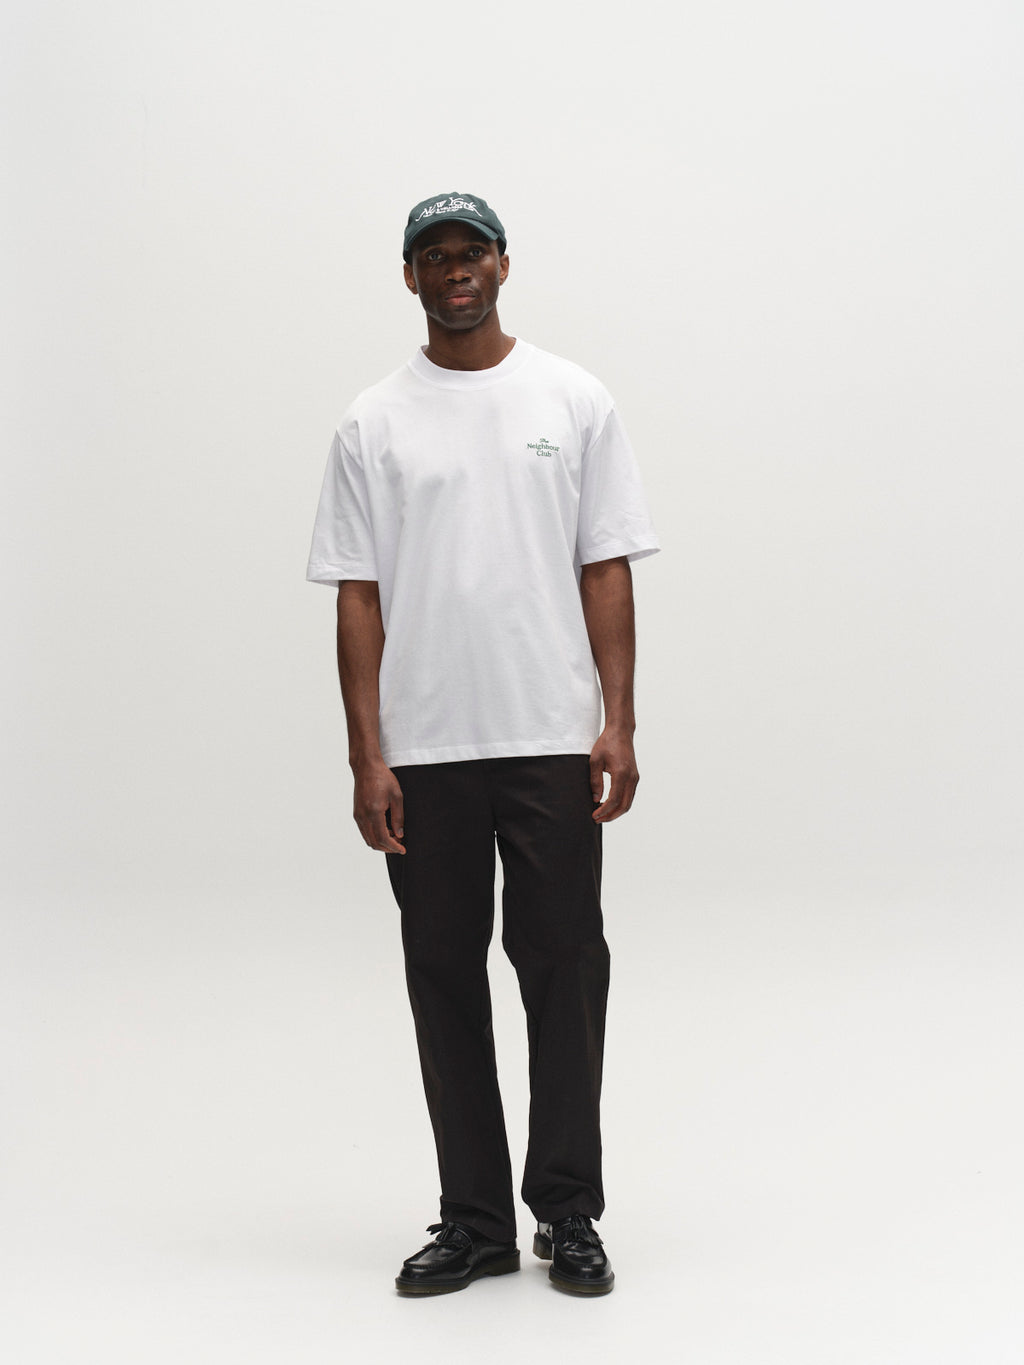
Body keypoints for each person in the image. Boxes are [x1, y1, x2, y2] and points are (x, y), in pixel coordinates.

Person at [307, 191, 659, 1297]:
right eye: (433, 257)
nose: (454, 271)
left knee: (565, 971)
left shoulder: (572, 397)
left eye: (470, 252)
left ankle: (565, 1211)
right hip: (427, 750)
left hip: (550, 737)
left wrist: (619, 720)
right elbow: (356, 596)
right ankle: (474, 1220)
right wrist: (368, 754)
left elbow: (605, 564)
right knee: (443, 977)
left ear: (504, 264)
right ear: (409, 278)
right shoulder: (373, 421)